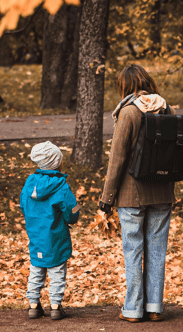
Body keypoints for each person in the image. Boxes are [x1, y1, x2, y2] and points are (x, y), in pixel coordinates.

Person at [99, 64, 174, 323]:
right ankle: (154, 308)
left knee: (133, 251)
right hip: (163, 192)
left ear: (125, 86)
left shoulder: (129, 113)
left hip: (132, 195)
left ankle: (132, 310)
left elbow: (117, 159)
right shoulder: (167, 109)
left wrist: (106, 200)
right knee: (157, 251)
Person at [20, 141, 81, 320]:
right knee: (57, 272)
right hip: (56, 237)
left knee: (36, 269)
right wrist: (76, 213)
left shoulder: (30, 183)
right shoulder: (60, 186)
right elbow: (71, 210)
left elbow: (23, 204)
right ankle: (55, 306)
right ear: (56, 163)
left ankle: (33, 305)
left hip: (36, 235)